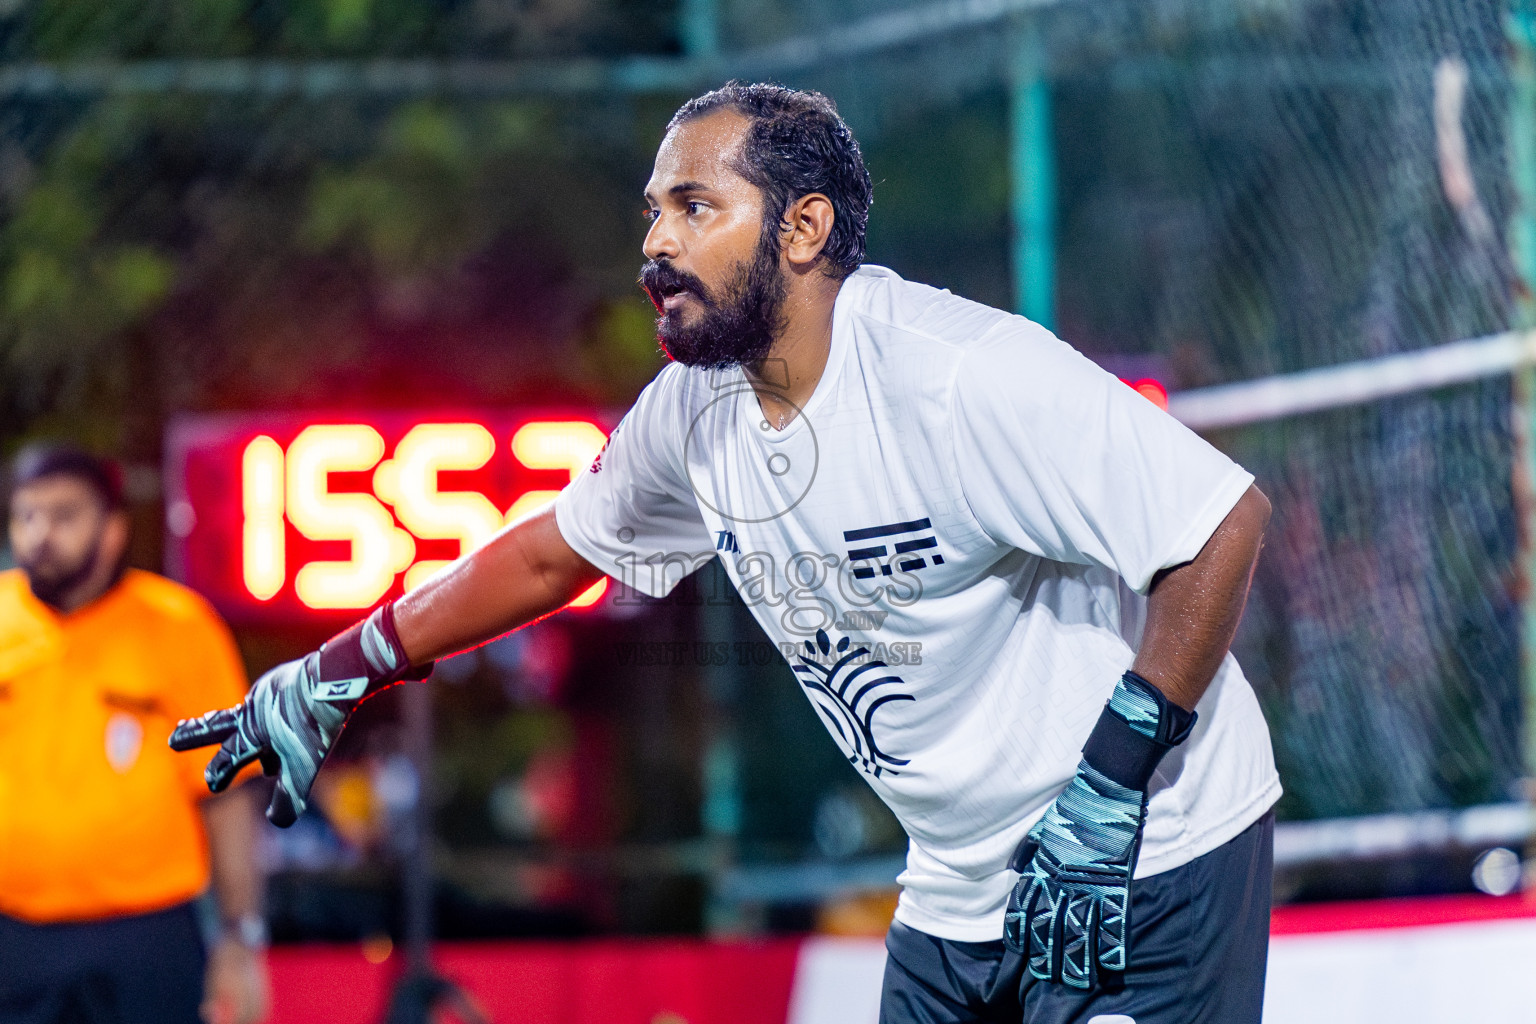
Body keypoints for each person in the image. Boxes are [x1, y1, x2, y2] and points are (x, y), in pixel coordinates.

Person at [172, 82, 1279, 1024]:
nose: (656, 242)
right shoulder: (692, 413)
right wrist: (343, 665)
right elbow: (556, 556)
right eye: (653, 210)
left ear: (801, 230)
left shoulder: (959, 375)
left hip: (1151, 839)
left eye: (695, 206)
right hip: (958, 880)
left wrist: (1110, 786)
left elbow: (1220, 522)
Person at [1, 445, 269, 1024]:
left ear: (114, 528)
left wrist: (240, 938)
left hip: (146, 940)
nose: (40, 534)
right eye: (26, 516)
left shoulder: (179, 627)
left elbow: (224, 794)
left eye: (64, 515)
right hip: (13, 935)